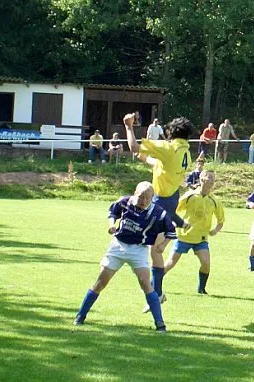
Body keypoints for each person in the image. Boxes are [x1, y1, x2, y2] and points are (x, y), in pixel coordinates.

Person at [73, 182, 175, 332]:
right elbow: (113, 213)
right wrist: (111, 224)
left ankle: (160, 324)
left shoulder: (158, 212)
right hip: (118, 246)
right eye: (141, 196)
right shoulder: (124, 201)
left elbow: (171, 231)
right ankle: (80, 316)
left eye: (148, 198)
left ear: (152, 198)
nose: (144, 201)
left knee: (145, 283)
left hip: (139, 250)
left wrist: (163, 245)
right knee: (100, 282)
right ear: (135, 193)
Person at [123, 113, 192, 305]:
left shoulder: (169, 147)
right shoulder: (186, 151)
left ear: (170, 132)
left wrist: (129, 127)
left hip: (161, 201)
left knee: (154, 250)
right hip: (170, 198)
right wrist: (146, 158)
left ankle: (157, 294)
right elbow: (160, 164)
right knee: (153, 250)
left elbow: (134, 147)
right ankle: (156, 293)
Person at [163, 170, 224, 294]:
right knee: (170, 263)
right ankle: (153, 282)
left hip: (201, 238)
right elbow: (174, 209)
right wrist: (175, 222)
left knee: (206, 263)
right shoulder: (190, 196)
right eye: (209, 177)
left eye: (213, 178)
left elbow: (221, 220)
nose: (212, 180)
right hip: (184, 236)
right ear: (202, 179)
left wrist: (215, 230)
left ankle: (201, 289)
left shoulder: (214, 200)